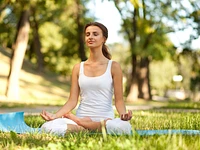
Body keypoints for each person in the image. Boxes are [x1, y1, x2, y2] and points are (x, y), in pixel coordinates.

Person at [40, 22, 132, 136]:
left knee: (124, 128)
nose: (90, 37)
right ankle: (86, 127)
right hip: (82, 117)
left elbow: (119, 100)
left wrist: (123, 115)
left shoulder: (113, 66)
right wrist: (55, 116)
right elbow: (72, 101)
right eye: (88, 34)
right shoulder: (78, 68)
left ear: (104, 39)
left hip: (104, 120)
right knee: (47, 127)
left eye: (95, 34)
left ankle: (83, 126)